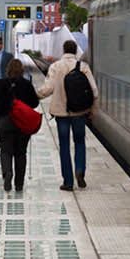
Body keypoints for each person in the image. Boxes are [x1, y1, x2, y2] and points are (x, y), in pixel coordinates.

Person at [0, 49, 43, 193]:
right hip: (23, 124)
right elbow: (35, 103)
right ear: (21, 70)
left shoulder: (1, 84)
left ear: (8, 70)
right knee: (21, 153)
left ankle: (7, 173)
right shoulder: (26, 84)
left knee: (5, 151)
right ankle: (19, 184)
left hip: (5, 122)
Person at [47, 39, 96, 191]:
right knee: (80, 142)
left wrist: (34, 96)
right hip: (79, 113)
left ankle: (68, 182)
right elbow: (94, 91)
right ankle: (80, 170)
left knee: (64, 146)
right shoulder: (83, 67)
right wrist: (92, 109)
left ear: (64, 50)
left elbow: (48, 88)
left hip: (61, 114)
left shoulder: (56, 66)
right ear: (75, 51)